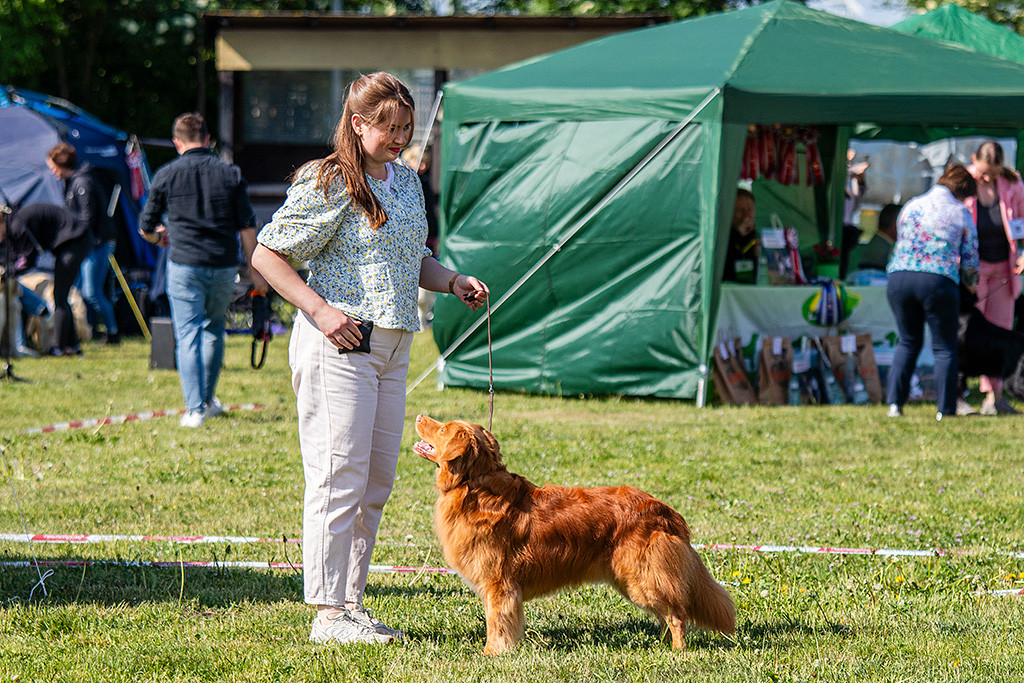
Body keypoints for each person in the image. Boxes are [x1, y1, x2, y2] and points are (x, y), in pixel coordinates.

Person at [251, 72, 488, 646]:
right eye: (389, 129)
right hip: (340, 343)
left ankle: (351, 604)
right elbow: (267, 255)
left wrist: (451, 279)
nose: (400, 139)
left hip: (394, 344)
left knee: (376, 480)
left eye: (406, 128)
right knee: (339, 477)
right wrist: (323, 313)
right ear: (358, 124)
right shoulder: (327, 179)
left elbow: (412, 260)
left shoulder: (405, 181)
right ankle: (326, 612)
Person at [138, 113, 268, 428]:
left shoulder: (166, 174)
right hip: (223, 266)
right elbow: (247, 228)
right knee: (213, 330)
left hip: (184, 265)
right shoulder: (230, 173)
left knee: (188, 335)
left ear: (177, 142)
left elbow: (146, 227)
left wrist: (159, 237)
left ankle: (194, 409)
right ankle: (208, 401)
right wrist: (257, 273)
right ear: (208, 140)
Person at [886, 164, 979, 421]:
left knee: (907, 341)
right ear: (963, 193)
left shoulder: (912, 205)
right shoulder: (960, 212)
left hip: (899, 278)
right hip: (937, 280)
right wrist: (972, 284)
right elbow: (970, 259)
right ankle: (944, 409)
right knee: (944, 347)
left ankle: (895, 404)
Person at [964, 141, 1024, 415]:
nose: (988, 178)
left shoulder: (1013, 185)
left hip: (1004, 271)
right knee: (968, 333)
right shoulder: (963, 182)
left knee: (1000, 332)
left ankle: (994, 396)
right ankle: (959, 391)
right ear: (974, 159)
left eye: (994, 173)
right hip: (973, 271)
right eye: (984, 172)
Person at [401, 143, 439, 329]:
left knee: (426, 290)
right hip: (414, 242)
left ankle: (423, 319)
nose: (423, 166)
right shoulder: (405, 183)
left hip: (429, 239)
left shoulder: (424, 181)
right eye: (419, 161)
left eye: (426, 162)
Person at [723, 188, 758, 283]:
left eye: (750, 210)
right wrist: (738, 234)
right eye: (740, 210)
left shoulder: (757, 238)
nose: (746, 215)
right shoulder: (722, 238)